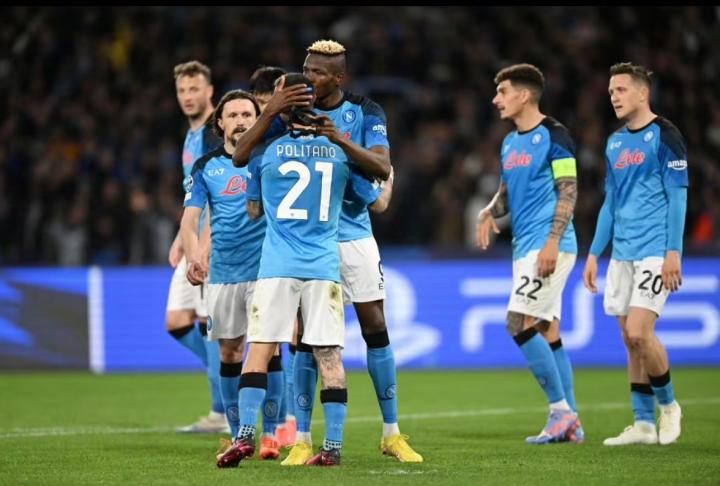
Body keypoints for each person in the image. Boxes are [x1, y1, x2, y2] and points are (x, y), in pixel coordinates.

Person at [216, 73, 381, 468]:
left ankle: (244, 436)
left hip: (277, 265)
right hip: (323, 266)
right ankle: (333, 448)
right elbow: (371, 198)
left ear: (282, 107)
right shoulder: (339, 152)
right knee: (330, 356)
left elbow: (252, 205)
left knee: (259, 349)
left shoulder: (264, 153)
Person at [476, 63, 583, 444]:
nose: (496, 99)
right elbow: (506, 195)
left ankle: (561, 412)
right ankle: (572, 423)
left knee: (517, 323)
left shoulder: (556, 136)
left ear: (523, 95)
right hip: (525, 247)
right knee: (547, 332)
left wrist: (553, 242)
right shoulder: (510, 143)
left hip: (548, 245)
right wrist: (490, 212)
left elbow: (569, 190)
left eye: (502, 91)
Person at [583, 62, 686, 446]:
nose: (614, 97)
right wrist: (594, 253)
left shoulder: (665, 135)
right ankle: (643, 424)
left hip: (654, 251)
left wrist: (673, 251)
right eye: (611, 91)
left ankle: (669, 407)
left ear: (643, 93)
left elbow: (678, 196)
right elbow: (610, 203)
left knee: (641, 332)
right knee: (630, 340)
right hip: (622, 253)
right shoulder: (614, 143)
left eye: (621, 90)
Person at [168, 60, 226, 433]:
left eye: (194, 89)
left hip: (210, 243)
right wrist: (181, 236)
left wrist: (204, 244)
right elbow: (193, 195)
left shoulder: (211, 134)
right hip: (192, 240)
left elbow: (218, 194)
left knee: (210, 326)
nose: (188, 96)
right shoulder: (190, 136)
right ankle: (225, 374)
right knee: (177, 321)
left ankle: (222, 412)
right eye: (182, 90)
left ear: (210, 91)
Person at [248, 65, 298, 448]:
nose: (269, 112)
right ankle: (269, 428)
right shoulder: (255, 143)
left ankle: (289, 423)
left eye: (273, 103)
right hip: (262, 253)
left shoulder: (294, 134)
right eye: (262, 105)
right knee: (265, 341)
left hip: (293, 250)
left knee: (294, 336)